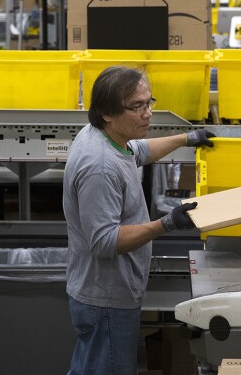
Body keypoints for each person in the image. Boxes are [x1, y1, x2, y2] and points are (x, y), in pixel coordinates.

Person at [63, 66, 216, 375]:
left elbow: (138, 151)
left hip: (105, 292)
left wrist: (188, 138)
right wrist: (167, 223)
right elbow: (104, 242)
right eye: (137, 107)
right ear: (108, 112)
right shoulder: (100, 167)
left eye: (149, 103)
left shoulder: (105, 135)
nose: (148, 114)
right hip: (106, 297)